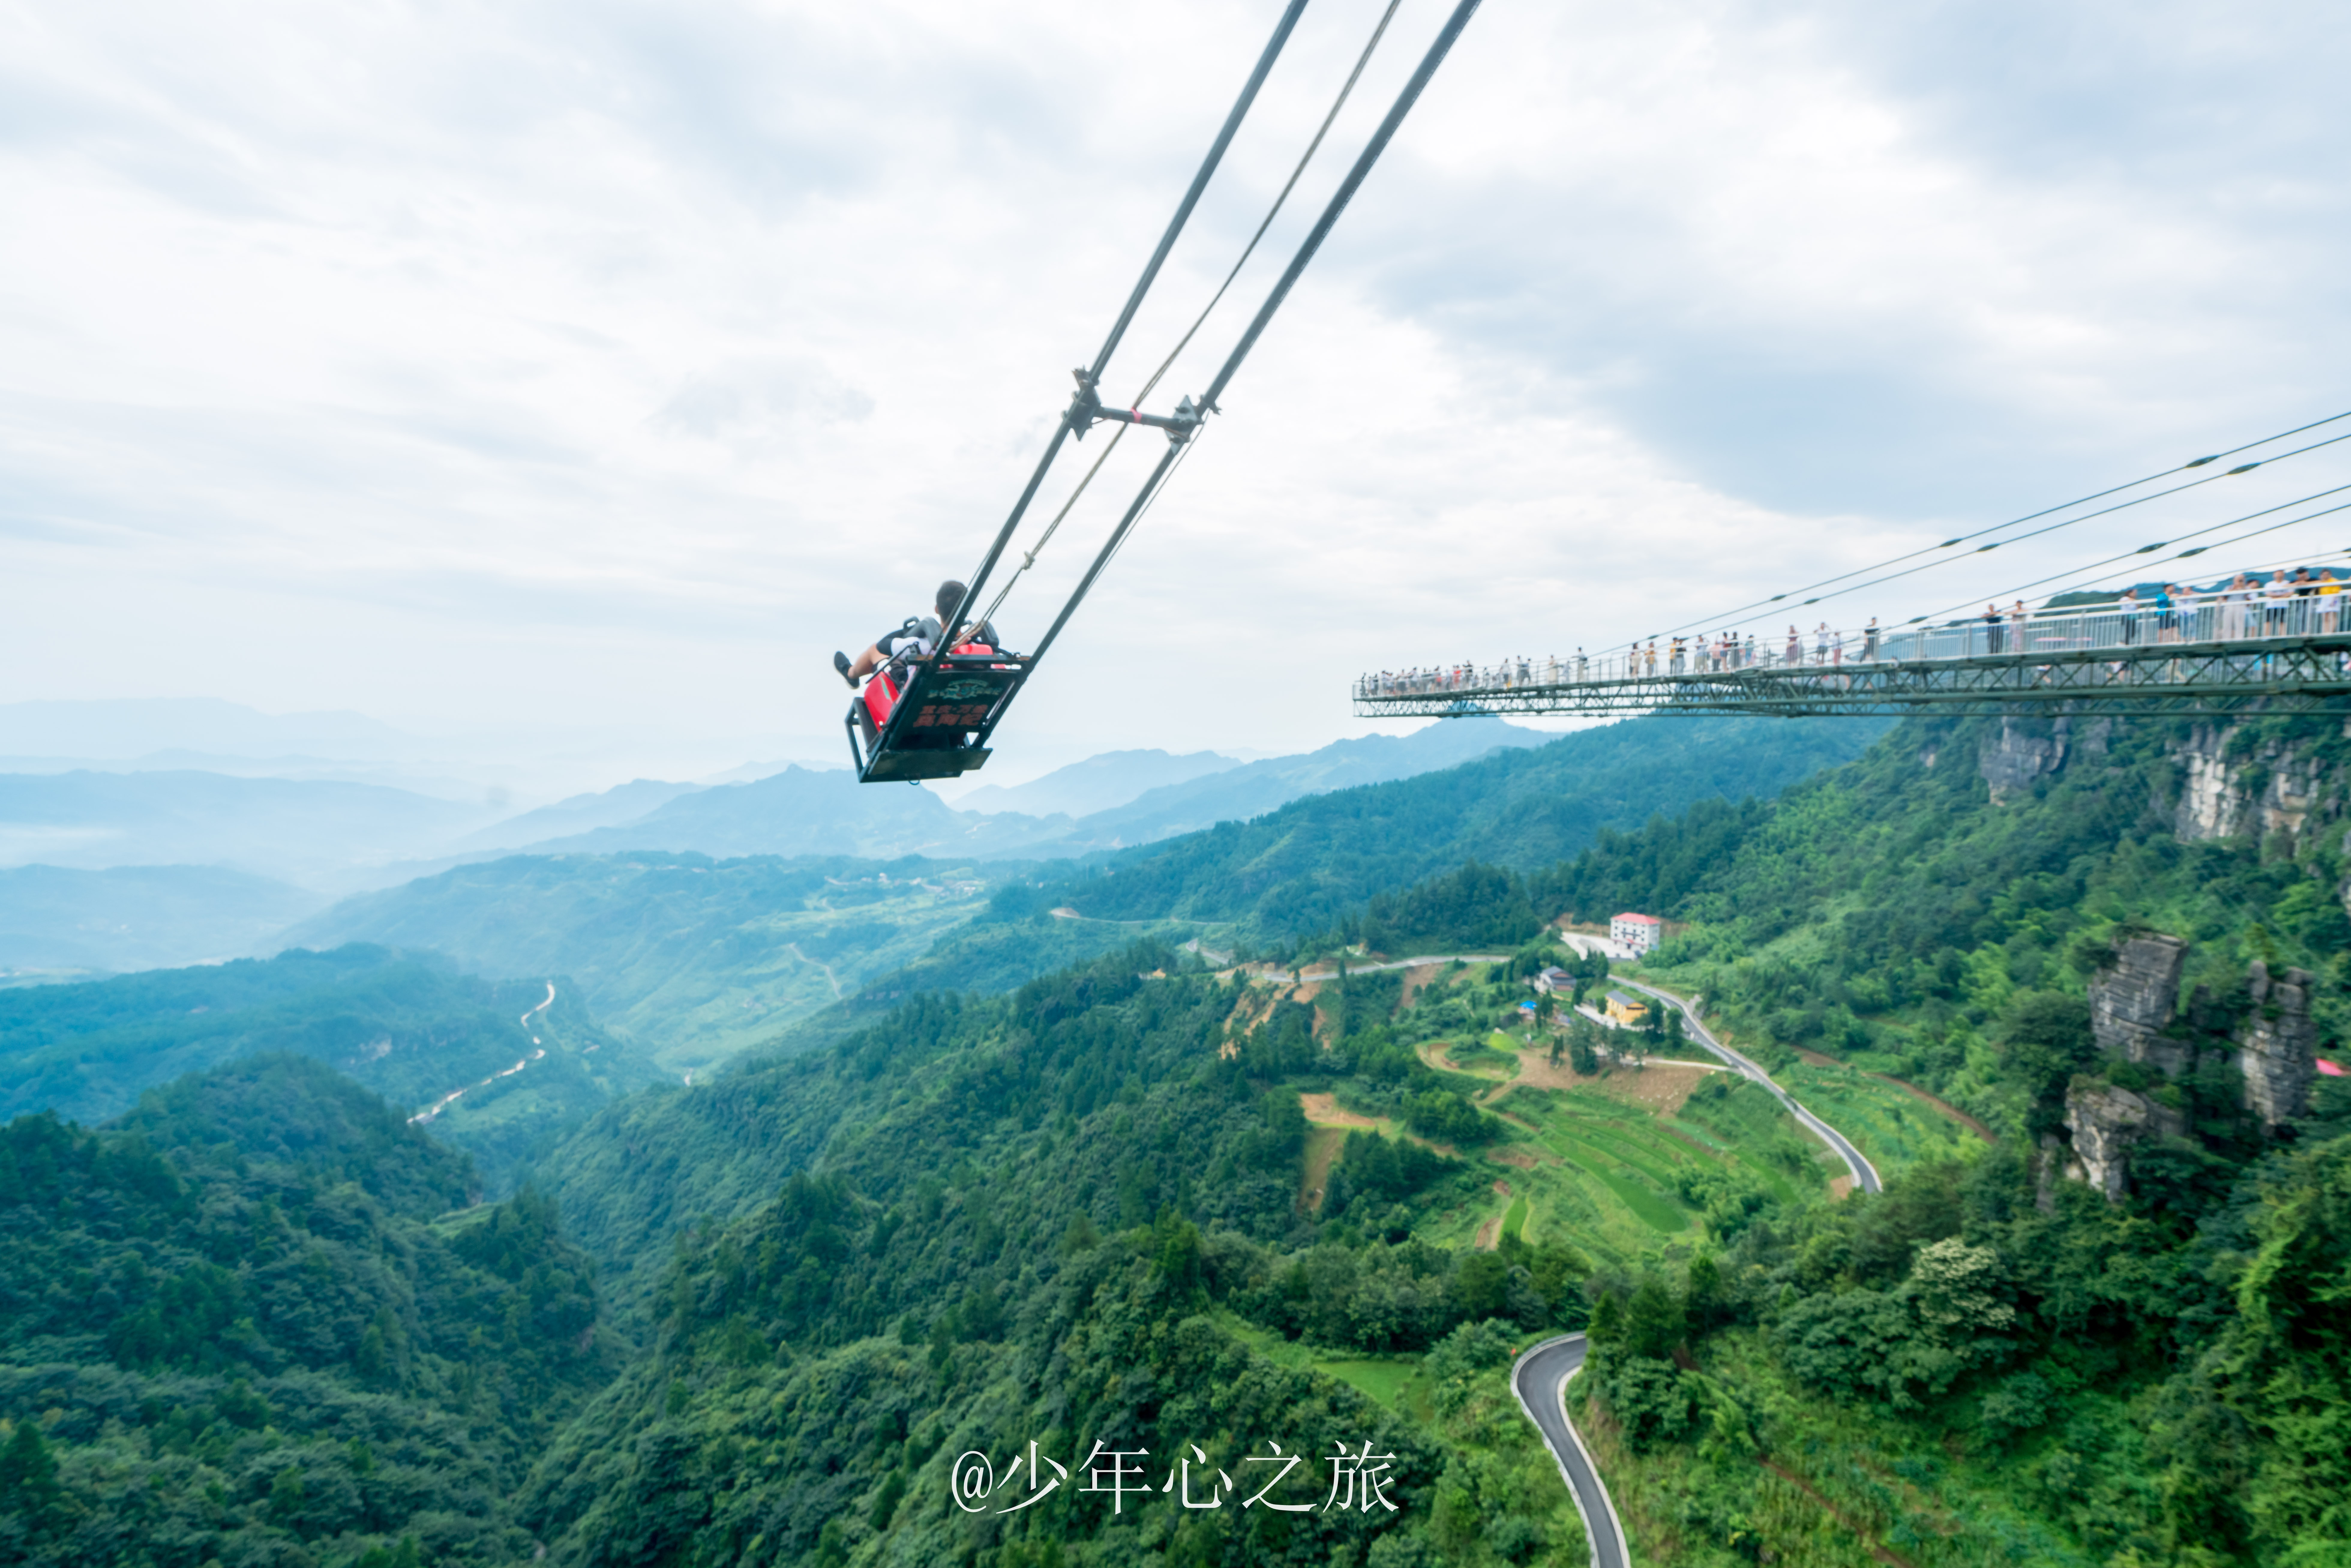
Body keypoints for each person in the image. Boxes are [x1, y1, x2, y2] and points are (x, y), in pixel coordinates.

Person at [834, 580, 1000, 688]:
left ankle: (851, 674)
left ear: (937, 609)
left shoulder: (920, 645)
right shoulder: (983, 652)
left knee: (875, 651)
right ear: (967, 610)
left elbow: (882, 645)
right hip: (968, 707)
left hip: (917, 709)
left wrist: (910, 632)